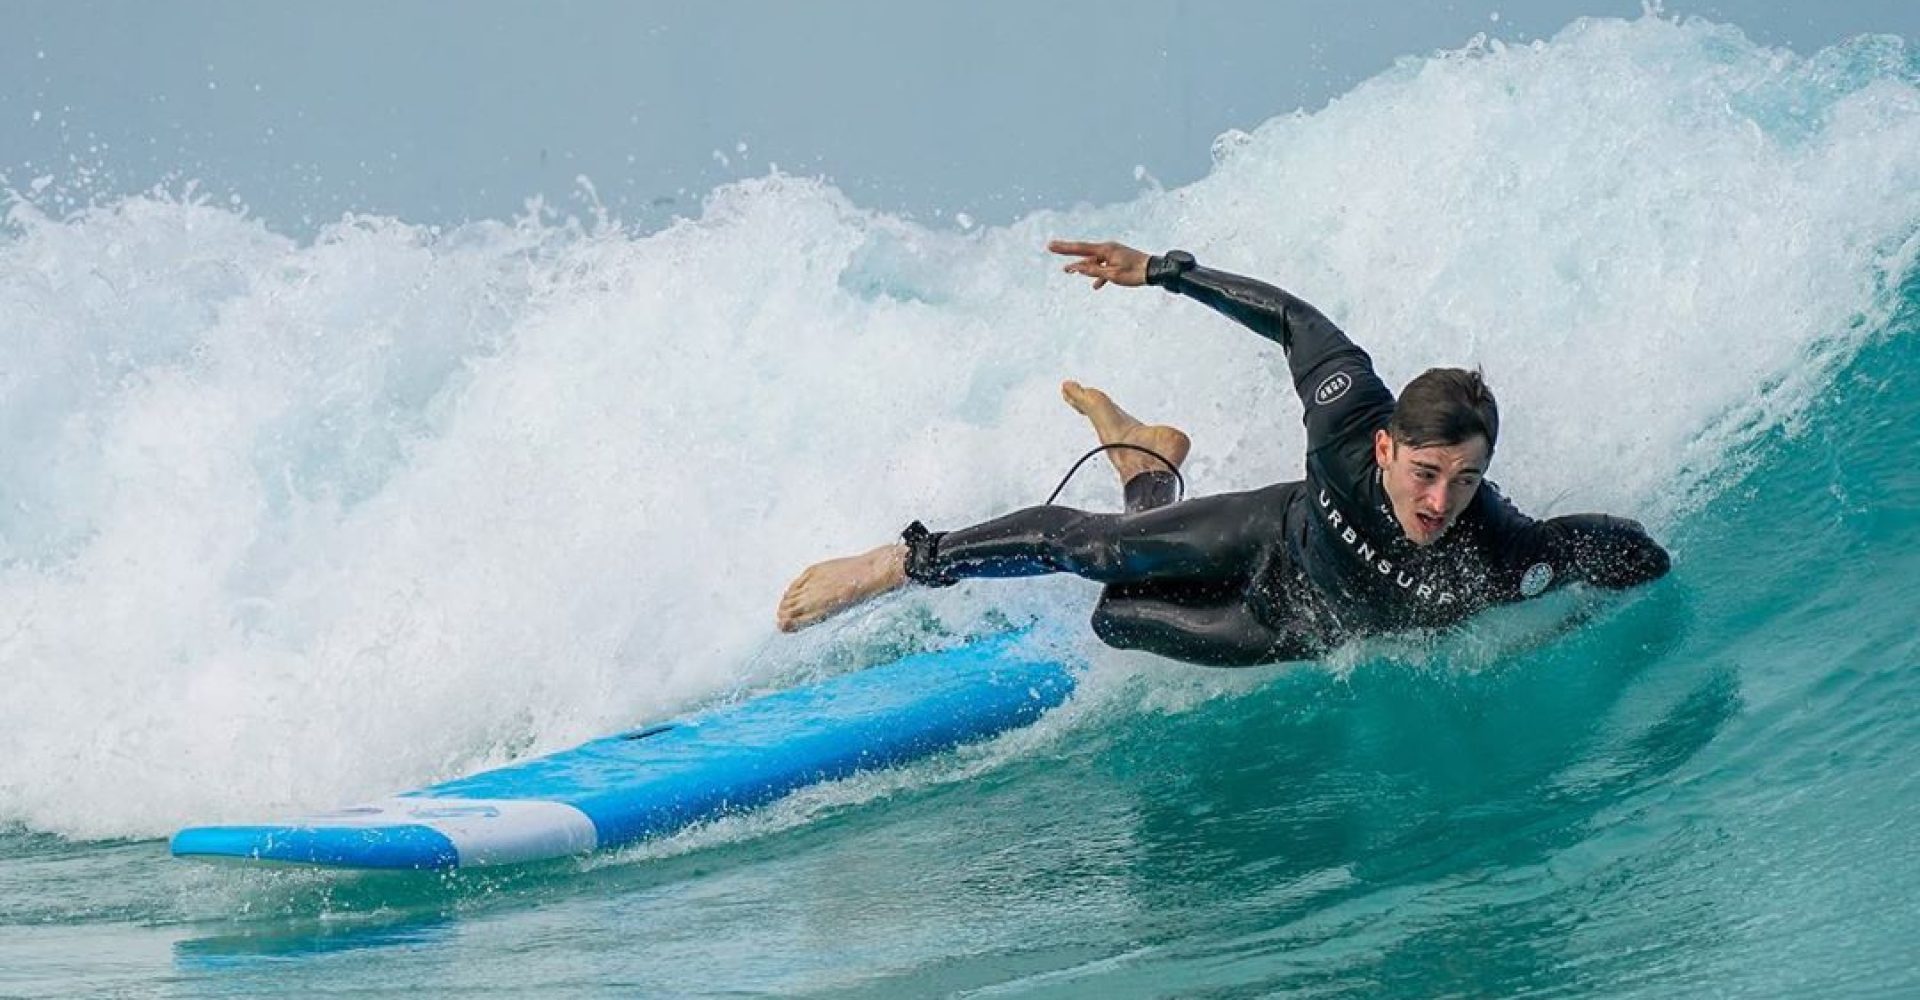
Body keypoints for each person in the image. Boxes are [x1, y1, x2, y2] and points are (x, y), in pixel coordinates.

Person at [775, 240, 1670, 666]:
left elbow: (1610, 551)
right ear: (1389, 446)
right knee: (1090, 551)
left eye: (1467, 480)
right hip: (1273, 536)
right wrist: (1162, 271)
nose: (1443, 500)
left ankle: (1147, 459)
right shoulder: (1351, 419)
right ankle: (903, 559)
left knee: (1114, 618)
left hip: (1293, 628)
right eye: (1428, 473)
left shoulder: (1495, 542)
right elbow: (1293, 319)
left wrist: (1636, 578)